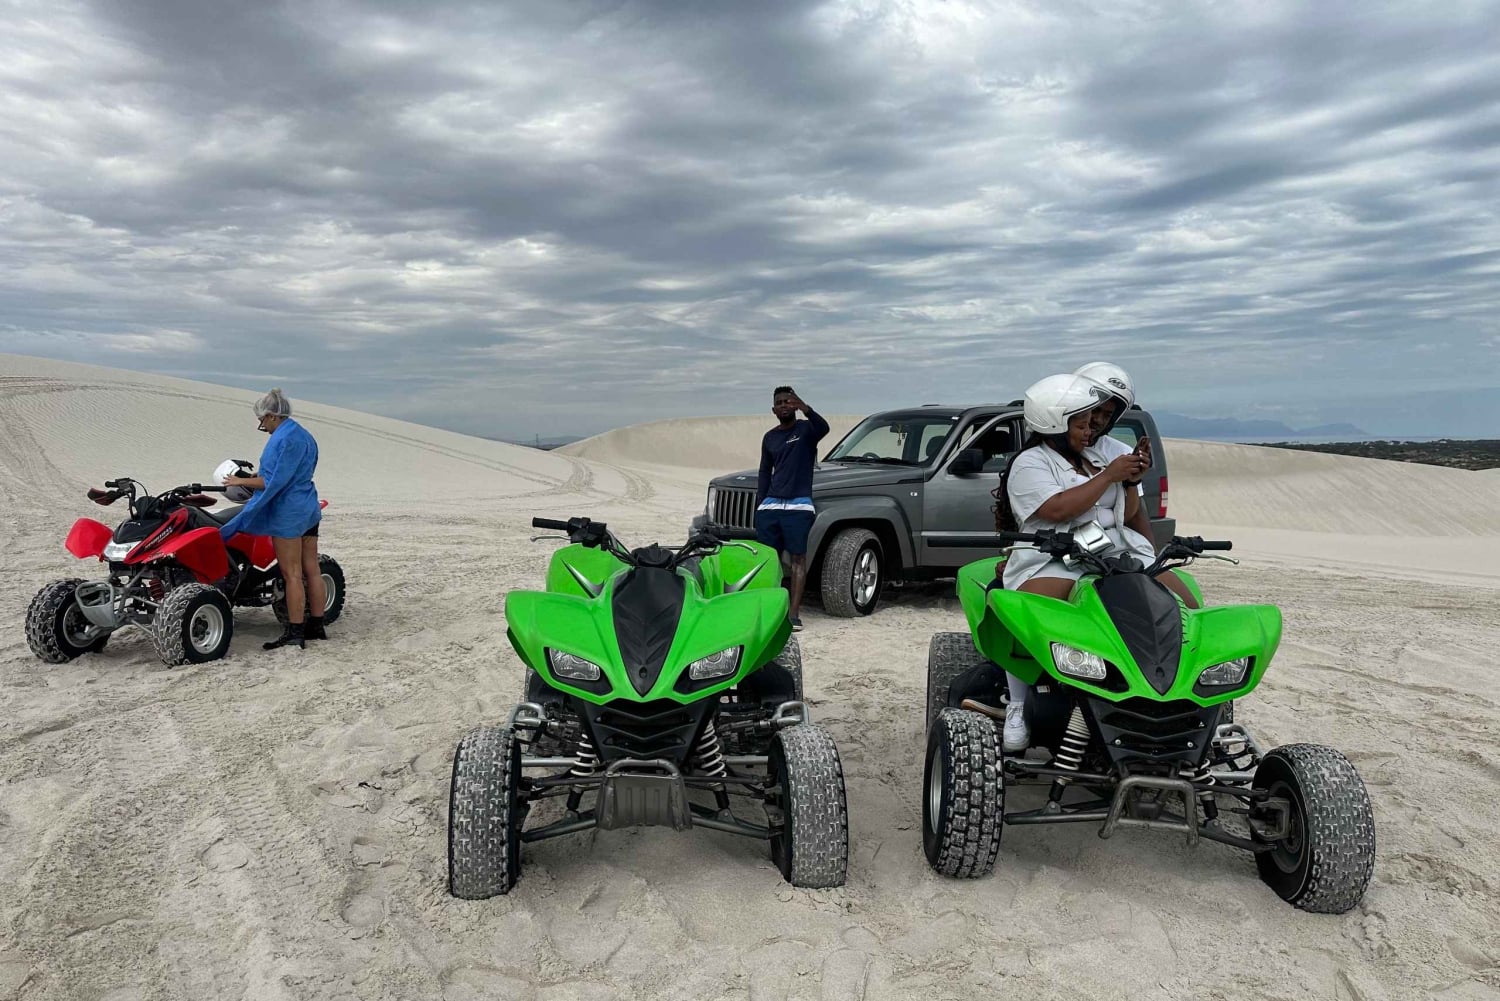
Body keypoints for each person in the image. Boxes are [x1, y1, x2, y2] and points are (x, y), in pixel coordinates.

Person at [994, 374, 1189, 752]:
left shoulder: (1099, 456)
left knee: (1183, 604)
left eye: (1094, 421)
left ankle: (1168, 694)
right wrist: (1111, 475)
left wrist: (1129, 482)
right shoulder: (1030, 463)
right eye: (1082, 424)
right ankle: (1018, 701)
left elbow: (1125, 514)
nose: (1091, 430)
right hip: (1052, 554)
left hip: (1111, 551)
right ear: (1055, 424)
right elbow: (1057, 509)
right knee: (1028, 614)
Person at [218, 389, 327, 650]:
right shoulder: (304, 434)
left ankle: (295, 632)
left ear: (272, 416)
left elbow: (272, 481)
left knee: (292, 574)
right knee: (312, 569)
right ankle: (317, 625)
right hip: (308, 506)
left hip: (289, 512)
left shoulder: (281, 439)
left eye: (262, 421)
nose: (263, 427)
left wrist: (239, 481)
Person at [755, 386, 829, 632]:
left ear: (795, 404)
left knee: (798, 559)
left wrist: (806, 408)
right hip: (771, 505)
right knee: (769, 559)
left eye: (788, 401)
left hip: (799, 505)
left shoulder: (806, 430)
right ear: (773, 410)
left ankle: (793, 615)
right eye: (780, 403)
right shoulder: (769, 437)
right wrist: (760, 504)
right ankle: (771, 611)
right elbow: (765, 471)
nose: (784, 405)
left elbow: (824, 428)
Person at [1074, 362, 1155, 547]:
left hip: (1108, 548)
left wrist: (1153, 556)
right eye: (1095, 410)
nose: (1098, 420)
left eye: (1107, 415)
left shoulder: (1121, 452)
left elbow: (1133, 516)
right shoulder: (1050, 451)